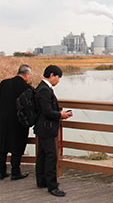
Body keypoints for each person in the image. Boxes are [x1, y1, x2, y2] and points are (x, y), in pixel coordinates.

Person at [34, 65, 72, 197]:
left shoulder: (41, 87)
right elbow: (47, 111)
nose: (58, 80)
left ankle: (42, 181)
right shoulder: (44, 90)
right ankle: (52, 186)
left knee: (42, 155)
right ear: (51, 75)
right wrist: (60, 114)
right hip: (47, 127)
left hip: (42, 127)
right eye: (58, 77)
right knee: (51, 156)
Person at [0, 64, 32, 180]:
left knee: (2, 146)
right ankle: (15, 172)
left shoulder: (4, 83)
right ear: (27, 74)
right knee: (17, 147)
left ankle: (1, 172)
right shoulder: (26, 88)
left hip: (2, 121)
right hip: (18, 122)